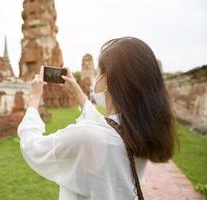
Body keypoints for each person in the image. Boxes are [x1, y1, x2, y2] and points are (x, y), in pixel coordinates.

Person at [17, 36, 178, 200]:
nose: (94, 76)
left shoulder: (87, 137)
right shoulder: (140, 132)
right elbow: (109, 128)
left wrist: (34, 98)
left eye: (97, 72)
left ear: (107, 78)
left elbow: (32, 147)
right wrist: (78, 92)